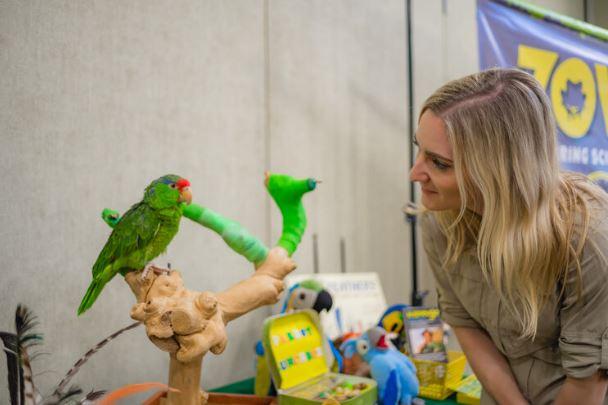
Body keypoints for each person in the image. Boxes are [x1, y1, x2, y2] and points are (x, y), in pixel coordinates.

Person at [409, 68, 608, 405]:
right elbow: (466, 325)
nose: (415, 173)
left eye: (439, 163)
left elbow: (588, 383)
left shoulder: (589, 240)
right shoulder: (440, 220)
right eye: (419, 149)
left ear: (499, 171)